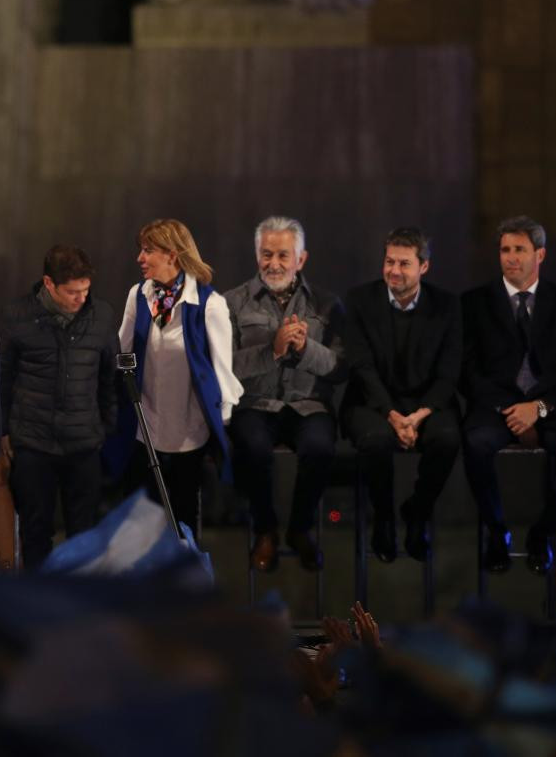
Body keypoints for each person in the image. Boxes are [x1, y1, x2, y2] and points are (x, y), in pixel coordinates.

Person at [225, 216, 345, 572]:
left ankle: (300, 528)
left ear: (301, 259)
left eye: (282, 255)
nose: (273, 264)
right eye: (266, 254)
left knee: (321, 447)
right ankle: (265, 530)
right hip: (254, 404)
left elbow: (341, 368)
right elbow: (224, 367)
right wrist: (273, 350)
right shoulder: (232, 302)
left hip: (308, 405)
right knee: (253, 447)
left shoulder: (327, 304)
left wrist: (307, 348)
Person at [342, 228, 461, 563]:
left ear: (424, 267)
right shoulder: (360, 300)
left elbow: (449, 371)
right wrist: (393, 416)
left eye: (404, 263)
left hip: (427, 402)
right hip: (372, 400)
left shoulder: (447, 306)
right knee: (376, 440)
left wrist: (420, 415)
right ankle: (383, 518)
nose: (394, 270)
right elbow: (361, 366)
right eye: (389, 261)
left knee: (449, 438)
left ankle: (417, 513)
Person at [115, 218, 242, 532]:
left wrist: (220, 424)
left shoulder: (209, 304)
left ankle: (185, 574)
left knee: (185, 515)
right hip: (146, 426)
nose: (139, 259)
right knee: (142, 519)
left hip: (190, 429)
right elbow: (122, 351)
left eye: (148, 251)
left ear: (172, 255)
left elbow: (222, 372)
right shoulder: (139, 296)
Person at [461, 216, 556, 575]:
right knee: (475, 443)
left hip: (552, 407)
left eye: (520, 250)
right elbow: (468, 372)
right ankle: (497, 533)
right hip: (496, 408)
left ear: (539, 254)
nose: (511, 257)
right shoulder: (474, 303)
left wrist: (538, 409)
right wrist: (512, 411)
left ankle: (543, 533)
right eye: (505, 250)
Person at [0, 245, 117, 568]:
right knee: (36, 532)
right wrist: (4, 431)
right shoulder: (17, 315)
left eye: (86, 290)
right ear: (49, 284)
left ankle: (80, 610)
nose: (81, 299)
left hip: (84, 443)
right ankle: (41, 608)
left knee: (85, 534)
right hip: (33, 443)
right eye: (72, 292)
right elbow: (2, 378)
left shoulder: (102, 316)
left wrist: (105, 426)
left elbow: (110, 378)